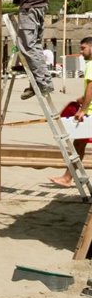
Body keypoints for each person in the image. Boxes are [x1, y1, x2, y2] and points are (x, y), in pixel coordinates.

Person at [51, 36, 92, 188]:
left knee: (78, 144)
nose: (81, 52)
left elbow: (91, 87)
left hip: (89, 112)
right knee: (79, 144)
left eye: (83, 48)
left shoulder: (91, 65)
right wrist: (82, 99)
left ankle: (67, 178)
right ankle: (67, 177)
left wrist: (83, 109)